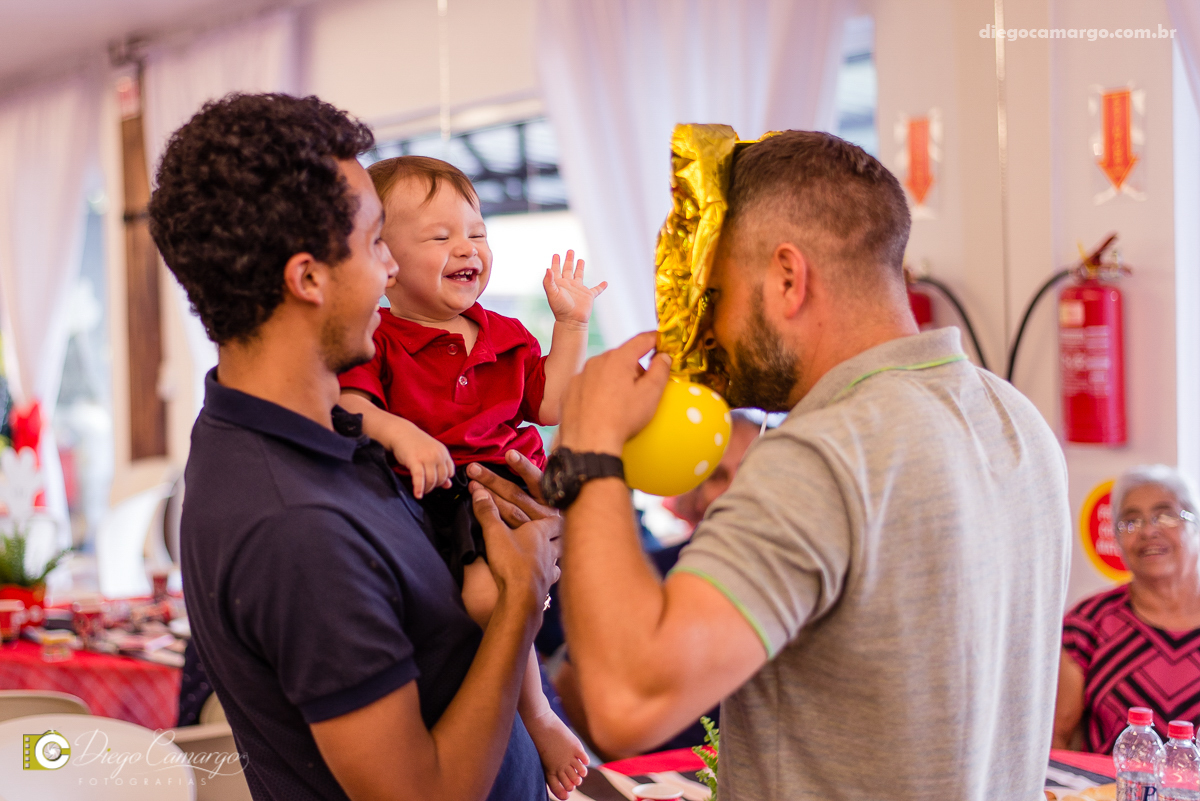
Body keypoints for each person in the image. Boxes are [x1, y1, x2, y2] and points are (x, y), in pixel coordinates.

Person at [529, 129, 1072, 800]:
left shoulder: (822, 451)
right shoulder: (1016, 417)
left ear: (788, 278)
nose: (705, 338)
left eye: (715, 298)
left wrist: (589, 452)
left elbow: (625, 702)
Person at [148, 92, 558, 801]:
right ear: (308, 277)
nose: (392, 270)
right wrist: (521, 602)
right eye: (375, 243)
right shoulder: (294, 524)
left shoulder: (328, 433)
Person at [337, 155, 594, 797]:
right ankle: (536, 713)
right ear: (385, 259)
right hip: (444, 497)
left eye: (477, 233)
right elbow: (351, 405)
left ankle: (549, 706)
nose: (467, 248)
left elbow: (553, 404)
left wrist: (571, 324)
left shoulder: (505, 334)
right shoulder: (380, 337)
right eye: (440, 236)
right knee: (490, 598)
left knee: (530, 586)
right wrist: (401, 432)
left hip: (512, 489)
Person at [1055, 464, 1200, 754]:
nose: (1148, 531)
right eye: (1131, 522)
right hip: (1109, 783)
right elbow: (1056, 737)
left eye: (1165, 515)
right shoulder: (1087, 623)